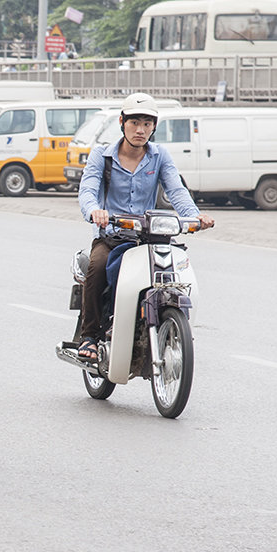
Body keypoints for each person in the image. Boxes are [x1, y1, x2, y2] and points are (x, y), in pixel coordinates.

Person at [74, 92, 215, 362]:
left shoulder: (160, 156)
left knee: (171, 273)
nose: (141, 130)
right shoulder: (101, 156)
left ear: (154, 127)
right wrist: (95, 211)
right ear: (122, 122)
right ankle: (89, 336)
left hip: (149, 237)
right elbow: (88, 191)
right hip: (112, 236)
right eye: (134, 122)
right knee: (98, 266)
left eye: (147, 124)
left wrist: (196, 217)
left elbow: (177, 190)